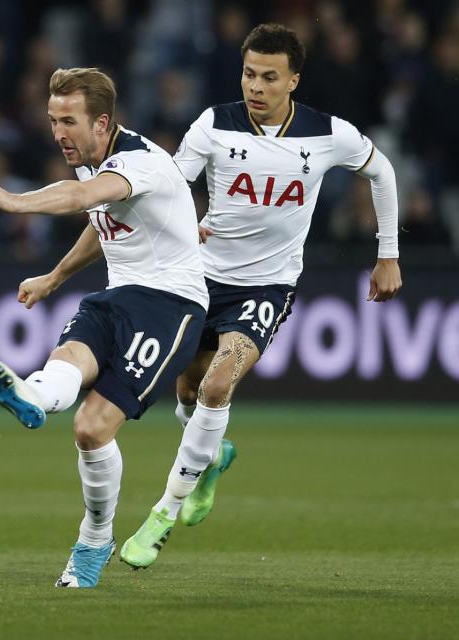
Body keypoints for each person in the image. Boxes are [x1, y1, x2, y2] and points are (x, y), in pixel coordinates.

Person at [119, 23, 403, 569]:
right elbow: (174, 183)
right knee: (189, 386)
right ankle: (210, 460)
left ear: (293, 80)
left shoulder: (327, 134)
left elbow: (382, 171)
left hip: (267, 286)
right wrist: (181, 221)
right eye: (249, 73)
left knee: (219, 383)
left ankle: (162, 512)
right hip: (200, 278)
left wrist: (387, 253)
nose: (256, 86)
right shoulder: (214, 124)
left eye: (270, 77)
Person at [0, 67, 208, 588]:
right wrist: (53, 277)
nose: (57, 133)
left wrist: (13, 199)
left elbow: (79, 200)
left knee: (91, 428)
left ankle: (94, 538)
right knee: (67, 362)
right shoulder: (95, 166)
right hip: (117, 298)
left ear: (102, 122)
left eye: (67, 121)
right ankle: (33, 394)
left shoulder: (140, 162)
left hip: (170, 306)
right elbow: (100, 223)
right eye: (52, 121)